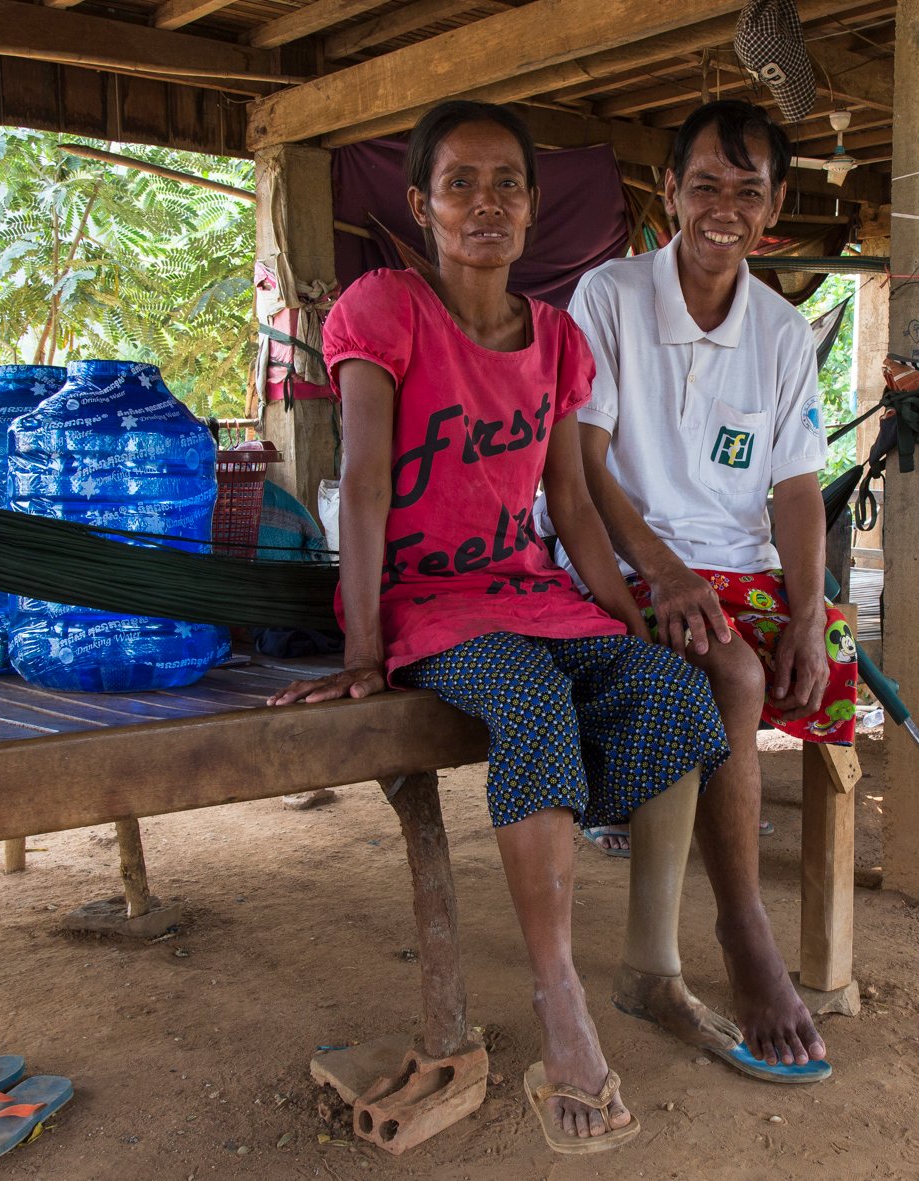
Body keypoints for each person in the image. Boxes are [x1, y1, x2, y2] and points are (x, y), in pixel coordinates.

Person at [266, 101, 728, 1153]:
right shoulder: (384, 307)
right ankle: (557, 994)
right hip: (423, 605)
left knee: (669, 690)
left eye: (507, 185)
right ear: (421, 205)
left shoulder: (556, 337)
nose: (486, 204)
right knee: (528, 697)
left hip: (527, 594)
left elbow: (569, 503)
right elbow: (368, 483)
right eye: (460, 184)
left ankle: (623, 948)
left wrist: (625, 623)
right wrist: (361, 652)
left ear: (529, 209)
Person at [566, 98, 858, 1081]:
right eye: (703, 185)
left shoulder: (780, 332)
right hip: (617, 555)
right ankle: (741, 928)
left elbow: (795, 487)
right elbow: (587, 462)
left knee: (823, 666)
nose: (721, 209)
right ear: (667, 193)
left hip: (735, 566)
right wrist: (661, 568)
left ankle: (745, 917)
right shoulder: (605, 296)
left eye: (746, 190)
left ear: (772, 208)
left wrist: (810, 616)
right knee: (730, 672)